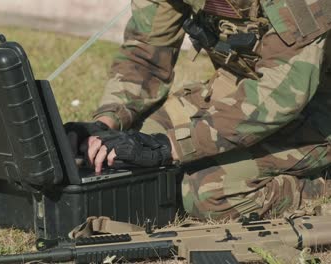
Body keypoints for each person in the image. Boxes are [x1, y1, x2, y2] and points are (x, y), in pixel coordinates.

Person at [66, 0, 331, 220]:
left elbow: (283, 93)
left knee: (206, 192)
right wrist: (106, 123)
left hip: (316, 111)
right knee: (126, 150)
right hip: (240, 91)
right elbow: (144, 57)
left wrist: (170, 146)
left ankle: (321, 185)